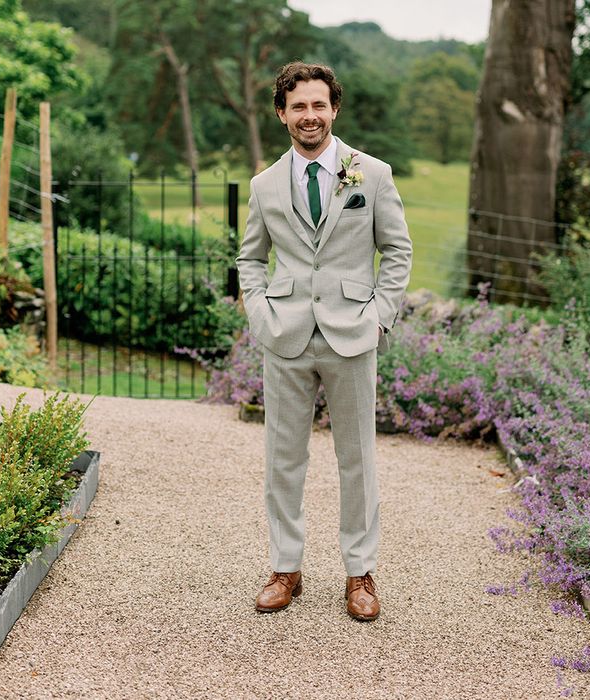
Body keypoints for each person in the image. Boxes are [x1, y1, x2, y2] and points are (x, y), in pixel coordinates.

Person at [236, 61, 412, 621]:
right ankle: (286, 568)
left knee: (357, 458)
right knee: (282, 461)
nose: (309, 116)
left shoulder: (372, 174)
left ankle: (360, 573)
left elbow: (398, 252)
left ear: (334, 109)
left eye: (318, 105)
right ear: (281, 113)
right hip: (284, 336)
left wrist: (380, 316)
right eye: (298, 107)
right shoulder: (265, 185)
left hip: (353, 335)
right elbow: (249, 259)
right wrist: (261, 315)